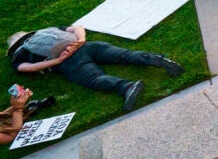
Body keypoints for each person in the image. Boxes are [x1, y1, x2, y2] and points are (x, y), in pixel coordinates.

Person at [8, 24, 185, 112]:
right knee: (124, 55)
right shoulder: (46, 31)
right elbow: (77, 28)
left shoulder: (19, 55)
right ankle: (155, 59)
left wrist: (58, 60)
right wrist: (80, 41)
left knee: (94, 78)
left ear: (14, 46)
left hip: (68, 62)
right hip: (87, 46)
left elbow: (27, 68)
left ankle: (127, 87)